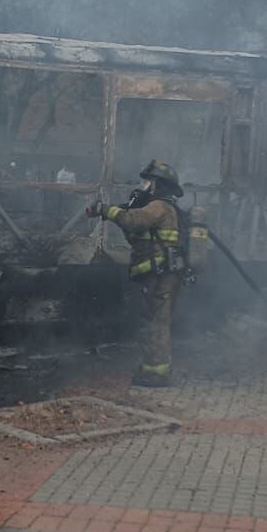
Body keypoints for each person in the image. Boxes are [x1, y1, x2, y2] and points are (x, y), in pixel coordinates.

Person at [88, 159, 187, 387]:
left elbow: (133, 221)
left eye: (148, 182)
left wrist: (105, 210)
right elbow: (136, 232)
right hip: (159, 274)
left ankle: (157, 373)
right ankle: (152, 367)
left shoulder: (159, 206)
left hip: (161, 275)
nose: (143, 186)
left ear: (157, 184)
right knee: (153, 321)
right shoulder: (160, 207)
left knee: (156, 322)